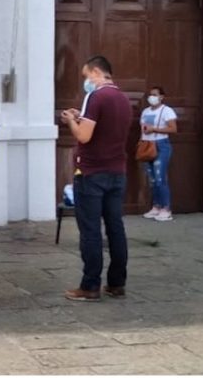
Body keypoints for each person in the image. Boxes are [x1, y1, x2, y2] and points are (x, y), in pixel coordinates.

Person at [60, 55, 132, 302]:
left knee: (90, 230)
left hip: (92, 173)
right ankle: (117, 283)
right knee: (115, 228)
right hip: (117, 171)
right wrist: (81, 117)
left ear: (96, 72)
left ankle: (90, 285)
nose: (85, 81)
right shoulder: (123, 98)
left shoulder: (96, 96)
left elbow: (84, 136)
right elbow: (105, 128)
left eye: (86, 76)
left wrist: (71, 121)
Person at [140, 86, 178, 221]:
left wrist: (154, 129)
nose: (152, 97)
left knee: (160, 177)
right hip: (147, 145)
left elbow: (173, 129)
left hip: (161, 145)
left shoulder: (167, 111)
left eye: (155, 95)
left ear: (161, 97)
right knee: (152, 179)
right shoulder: (145, 111)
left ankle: (166, 208)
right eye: (150, 95)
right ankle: (156, 206)